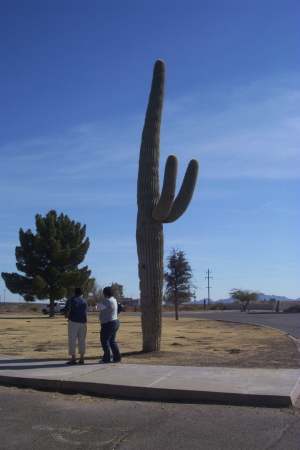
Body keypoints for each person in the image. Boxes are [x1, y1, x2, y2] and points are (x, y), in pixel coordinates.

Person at [62, 287, 87, 365]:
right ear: (82, 293)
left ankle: (73, 358)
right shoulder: (85, 301)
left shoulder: (71, 300)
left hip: (73, 321)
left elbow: (64, 310)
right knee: (82, 340)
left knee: (72, 340)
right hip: (83, 321)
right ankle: (82, 358)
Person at [97, 286, 122, 363]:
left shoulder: (107, 301)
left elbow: (98, 307)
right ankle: (117, 358)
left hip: (108, 323)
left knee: (104, 340)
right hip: (115, 321)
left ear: (105, 293)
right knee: (112, 341)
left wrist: (100, 302)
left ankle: (106, 358)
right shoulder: (114, 300)